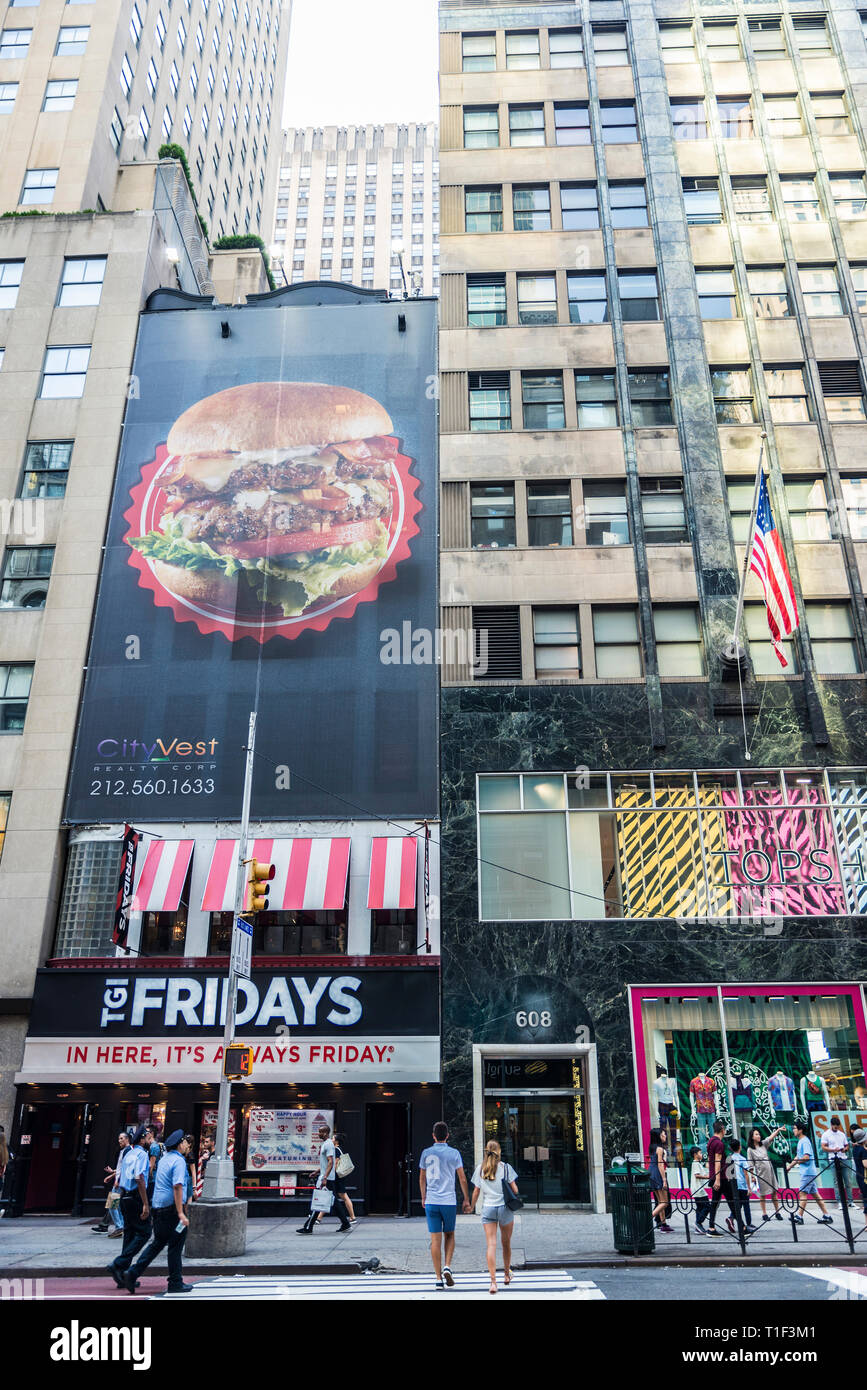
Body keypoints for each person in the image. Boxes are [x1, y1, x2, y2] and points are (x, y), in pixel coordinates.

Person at [123, 1131, 193, 1295]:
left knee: (157, 1243)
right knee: (176, 1245)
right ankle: (175, 1282)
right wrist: (181, 1213)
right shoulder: (179, 1161)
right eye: (185, 1142)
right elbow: (177, 1186)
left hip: (158, 1208)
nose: (186, 1145)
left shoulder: (165, 1160)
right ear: (180, 1144)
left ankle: (132, 1273)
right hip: (172, 1211)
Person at [418, 1121, 471, 1290]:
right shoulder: (454, 1153)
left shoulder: (426, 1153)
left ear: (433, 1135)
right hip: (448, 1200)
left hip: (432, 1200)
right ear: (447, 1135)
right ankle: (447, 1265)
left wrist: (423, 1197)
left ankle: (438, 1278)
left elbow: (422, 1178)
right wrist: (466, 1199)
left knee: (435, 1239)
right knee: (449, 1234)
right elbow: (462, 1178)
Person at [470, 1139, 519, 1294]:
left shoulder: (480, 1169)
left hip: (488, 1209)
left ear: (486, 1151)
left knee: (491, 1244)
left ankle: (493, 1282)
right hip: (505, 1208)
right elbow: (515, 1190)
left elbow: (476, 1191)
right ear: (499, 1151)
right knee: (506, 1244)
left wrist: (471, 1206)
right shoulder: (505, 1168)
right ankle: (506, 1275)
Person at [107, 1125, 151, 1287]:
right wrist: (146, 1203)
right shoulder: (141, 1154)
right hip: (135, 1197)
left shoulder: (128, 1154)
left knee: (129, 1234)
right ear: (142, 1139)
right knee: (145, 1232)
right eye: (147, 1137)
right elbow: (139, 1178)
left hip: (124, 1195)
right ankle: (119, 1263)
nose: (149, 1140)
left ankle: (121, 1274)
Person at [297, 1124, 350, 1234]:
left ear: (326, 1133)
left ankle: (308, 1227)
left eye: (320, 1132)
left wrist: (324, 1177)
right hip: (327, 1177)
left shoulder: (328, 1145)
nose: (319, 1133)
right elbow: (326, 1163)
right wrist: (317, 1171)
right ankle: (345, 1223)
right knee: (332, 1201)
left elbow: (331, 1162)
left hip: (327, 1178)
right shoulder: (326, 1144)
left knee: (318, 1201)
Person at [789, 1119, 833, 1225]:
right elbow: (798, 1156)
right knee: (815, 1195)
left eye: (794, 1128)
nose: (793, 1130)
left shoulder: (805, 1141)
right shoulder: (801, 1141)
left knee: (802, 1193)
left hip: (807, 1172)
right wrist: (790, 1166)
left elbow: (806, 1157)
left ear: (800, 1130)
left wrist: (798, 1162)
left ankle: (799, 1216)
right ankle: (827, 1215)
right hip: (809, 1171)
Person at [93, 1130, 129, 1236]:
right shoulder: (124, 1151)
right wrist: (112, 1174)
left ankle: (119, 1227)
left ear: (127, 1139)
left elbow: (125, 1168)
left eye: (122, 1138)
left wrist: (117, 1180)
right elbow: (120, 1168)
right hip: (119, 1181)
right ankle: (121, 1226)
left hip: (120, 1182)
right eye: (119, 1138)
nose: (119, 1140)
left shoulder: (127, 1151)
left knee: (112, 1204)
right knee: (116, 1206)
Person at [706, 1119, 736, 1237]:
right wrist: (718, 1179)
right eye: (724, 1129)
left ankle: (711, 1227)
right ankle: (743, 1227)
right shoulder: (719, 1143)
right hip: (721, 1178)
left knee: (715, 1202)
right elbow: (718, 1161)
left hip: (716, 1176)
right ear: (722, 1129)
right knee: (732, 1202)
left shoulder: (711, 1142)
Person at [747, 1126, 784, 1222]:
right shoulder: (750, 1149)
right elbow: (750, 1165)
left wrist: (778, 1130)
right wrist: (752, 1176)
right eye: (756, 1134)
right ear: (752, 1137)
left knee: (774, 1192)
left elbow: (770, 1138)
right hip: (761, 1174)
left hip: (770, 1171)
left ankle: (777, 1212)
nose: (758, 1136)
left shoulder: (763, 1144)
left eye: (759, 1134)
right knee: (763, 1194)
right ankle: (764, 1213)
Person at [821, 1116, 857, 1206]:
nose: (836, 1128)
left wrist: (844, 1149)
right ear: (831, 1125)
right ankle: (840, 1202)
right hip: (833, 1158)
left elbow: (847, 1146)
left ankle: (851, 1201)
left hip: (843, 1158)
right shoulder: (826, 1134)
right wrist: (833, 1150)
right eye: (835, 1126)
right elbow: (823, 1147)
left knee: (848, 1180)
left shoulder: (841, 1134)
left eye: (838, 1126)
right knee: (836, 1181)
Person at [728, 1138, 757, 1233]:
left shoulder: (729, 1158)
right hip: (742, 1185)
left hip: (733, 1185)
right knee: (746, 1205)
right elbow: (745, 1174)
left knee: (738, 1204)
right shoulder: (742, 1159)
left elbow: (728, 1174)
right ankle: (748, 1224)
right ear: (740, 1147)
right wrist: (749, 1187)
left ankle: (731, 1218)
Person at [649, 1128, 673, 1233]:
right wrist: (664, 1180)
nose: (665, 1136)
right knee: (665, 1202)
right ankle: (648, 1219)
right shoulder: (659, 1149)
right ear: (659, 1136)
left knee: (660, 1201)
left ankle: (663, 1224)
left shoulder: (652, 1147)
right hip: (658, 1174)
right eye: (663, 1134)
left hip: (651, 1173)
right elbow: (660, 1164)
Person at [331, 1132, 357, 1225]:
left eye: (333, 1138)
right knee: (333, 1195)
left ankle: (353, 1217)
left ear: (336, 1141)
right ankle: (318, 1218)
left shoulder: (336, 1150)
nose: (331, 1140)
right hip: (339, 1177)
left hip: (337, 1177)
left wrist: (330, 1174)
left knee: (343, 1196)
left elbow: (335, 1163)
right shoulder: (338, 1149)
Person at [690, 1147, 711, 1233]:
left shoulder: (698, 1163)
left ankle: (698, 1227)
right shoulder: (695, 1164)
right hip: (698, 1189)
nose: (701, 1154)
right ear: (695, 1155)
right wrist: (707, 1177)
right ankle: (698, 1222)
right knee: (707, 1206)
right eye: (700, 1153)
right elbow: (697, 1175)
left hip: (697, 1188)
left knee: (700, 1207)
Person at [851, 1127, 867, 1215]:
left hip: (860, 1176)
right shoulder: (863, 1150)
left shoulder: (856, 1149)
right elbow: (865, 1164)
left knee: (865, 1200)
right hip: (865, 1177)